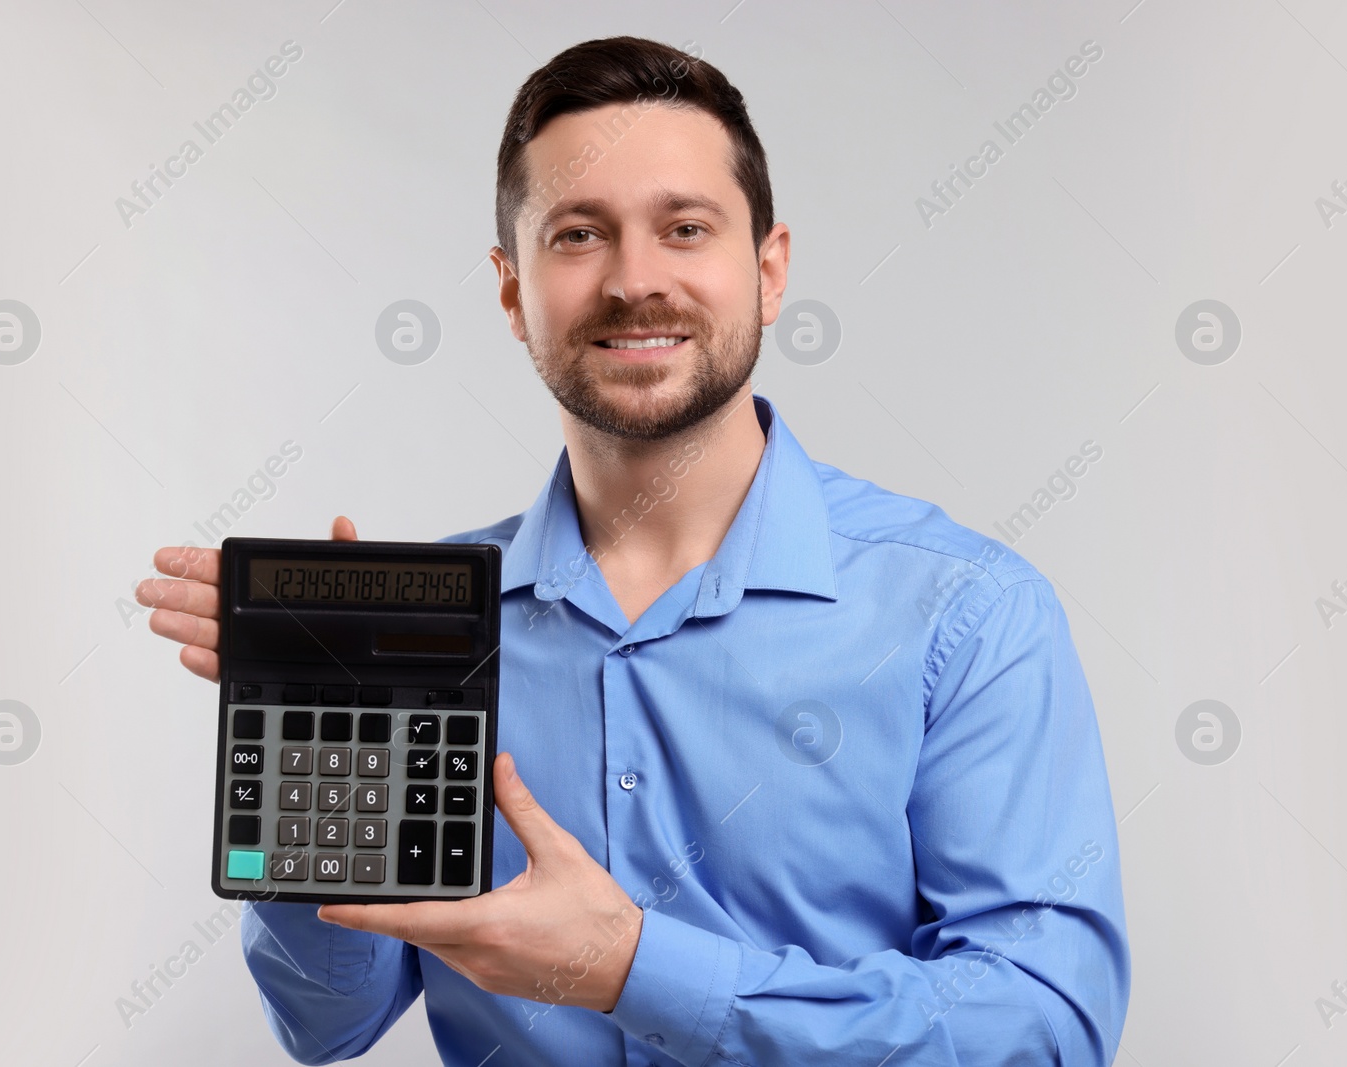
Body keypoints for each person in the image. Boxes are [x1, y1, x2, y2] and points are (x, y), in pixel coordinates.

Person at [135, 35, 1129, 1067]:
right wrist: (325, 761)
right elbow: (324, 1026)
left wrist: (629, 965)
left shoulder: (965, 610)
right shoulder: (417, 632)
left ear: (768, 269)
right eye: (577, 235)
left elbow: (1043, 1027)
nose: (633, 280)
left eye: (685, 227)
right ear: (514, 293)